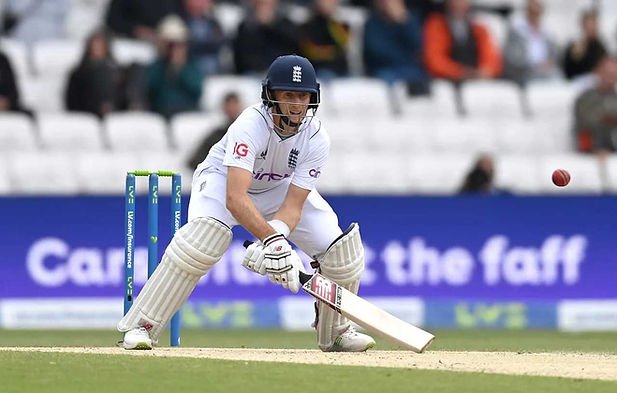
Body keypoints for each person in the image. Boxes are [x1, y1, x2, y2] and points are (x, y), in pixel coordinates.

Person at [118, 54, 376, 353]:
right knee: (200, 243)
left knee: (342, 254)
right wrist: (272, 240)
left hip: (277, 188)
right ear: (271, 95)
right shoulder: (251, 124)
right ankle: (142, 326)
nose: (296, 103)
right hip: (223, 180)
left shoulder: (317, 137)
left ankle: (335, 333)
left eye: (303, 95)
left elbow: (293, 207)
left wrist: (274, 238)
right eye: (288, 94)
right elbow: (235, 198)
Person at [423, 0, 502, 82]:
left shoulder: (478, 27)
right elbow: (434, 60)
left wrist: (485, 71)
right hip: (447, 80)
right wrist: (461, 72)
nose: (459, 3)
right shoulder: (436, 24)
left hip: (476, 79)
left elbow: (491, 57)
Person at [363, 0, 429, 95]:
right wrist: (406, 56)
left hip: (411, 69)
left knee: (428, 85)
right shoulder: (371, 23)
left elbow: (419, 44)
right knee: (391, 85)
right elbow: (378, 52)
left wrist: (402, 20)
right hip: (384, 70)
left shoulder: (410, 18)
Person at [146, 15, 203, 118]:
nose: (175, 49)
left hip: (188, 113)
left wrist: (180, 68)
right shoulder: (157, 66)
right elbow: (151, 90)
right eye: (171, 45)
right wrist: (168, 66)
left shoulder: (192, 66)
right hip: (162, 113)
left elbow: (197, 91)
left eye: (179, 44)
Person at [233, 0, 300, 75]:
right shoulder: (246, 26)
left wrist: (271, 25)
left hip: (282, 70)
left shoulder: (286, 24)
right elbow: (243, 55)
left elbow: (292, 48)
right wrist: (257, 27)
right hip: (254, 73)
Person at [502, 0, 560, 85]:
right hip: (524, 74)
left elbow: (554, 56)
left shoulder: (548, 33)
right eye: (531, 10)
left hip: (545, 73)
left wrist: (548, 64)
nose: (535, 12)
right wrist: (534, 66)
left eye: (537, 9)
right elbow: (512, 59)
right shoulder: (516, 32)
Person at [65, 30, 121, 117]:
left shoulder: (116, 71)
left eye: (101, 46)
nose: (97, 49)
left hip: (113, 111)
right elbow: (72, 101)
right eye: (95, 46)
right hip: (86, 112)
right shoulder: (78, 73)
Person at [187, 92, 243, 169]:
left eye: (234, 105)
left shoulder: (248, 133)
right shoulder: (216, 135)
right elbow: (195, 161)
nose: (231, 108)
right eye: (229, 105)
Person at [573, 57, 617, 154]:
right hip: (589, 152)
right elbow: (587, 120)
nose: (611, 76)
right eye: (607, 72)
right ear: (598, 72)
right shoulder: (585, 98)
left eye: (614, 73)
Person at [300, 0, 351, 80]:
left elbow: (343, 47)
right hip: (317, 72)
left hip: (341, 72)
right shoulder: (308, 27)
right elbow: (310, 52)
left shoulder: (339, 26)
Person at [179, 0, 226, 77]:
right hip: (189, 63)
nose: (197, 4)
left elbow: (219, 44)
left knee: (210, 64)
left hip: (212, 65)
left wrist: (196, 42)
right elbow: (186, 46)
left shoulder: (214, 22)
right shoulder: (182, 22)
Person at [562, 9, 608, 81]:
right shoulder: (575, 46)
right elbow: (568, 71)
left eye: (594, 25)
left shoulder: (601, 47)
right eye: (589, 26)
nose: (592, 29)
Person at [105, 0, 180, 42]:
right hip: (128, 43)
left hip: (161, 45)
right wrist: (135, 30)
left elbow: (177, 19)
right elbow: (112, 19)